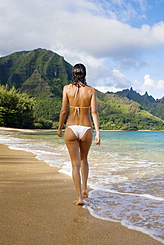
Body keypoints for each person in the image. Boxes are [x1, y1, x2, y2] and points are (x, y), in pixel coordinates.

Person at [57, 63, 100, 205]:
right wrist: (98, 132)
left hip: (71, 127)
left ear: (73, 74)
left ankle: (79, 198)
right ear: (85, 74)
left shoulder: (66, 89)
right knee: (84, 159)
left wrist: (59, 128)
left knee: (75, 164)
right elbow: (94, 112)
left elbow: (63, 111)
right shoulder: (91, 91)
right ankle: (85, 188)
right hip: (86, 128)